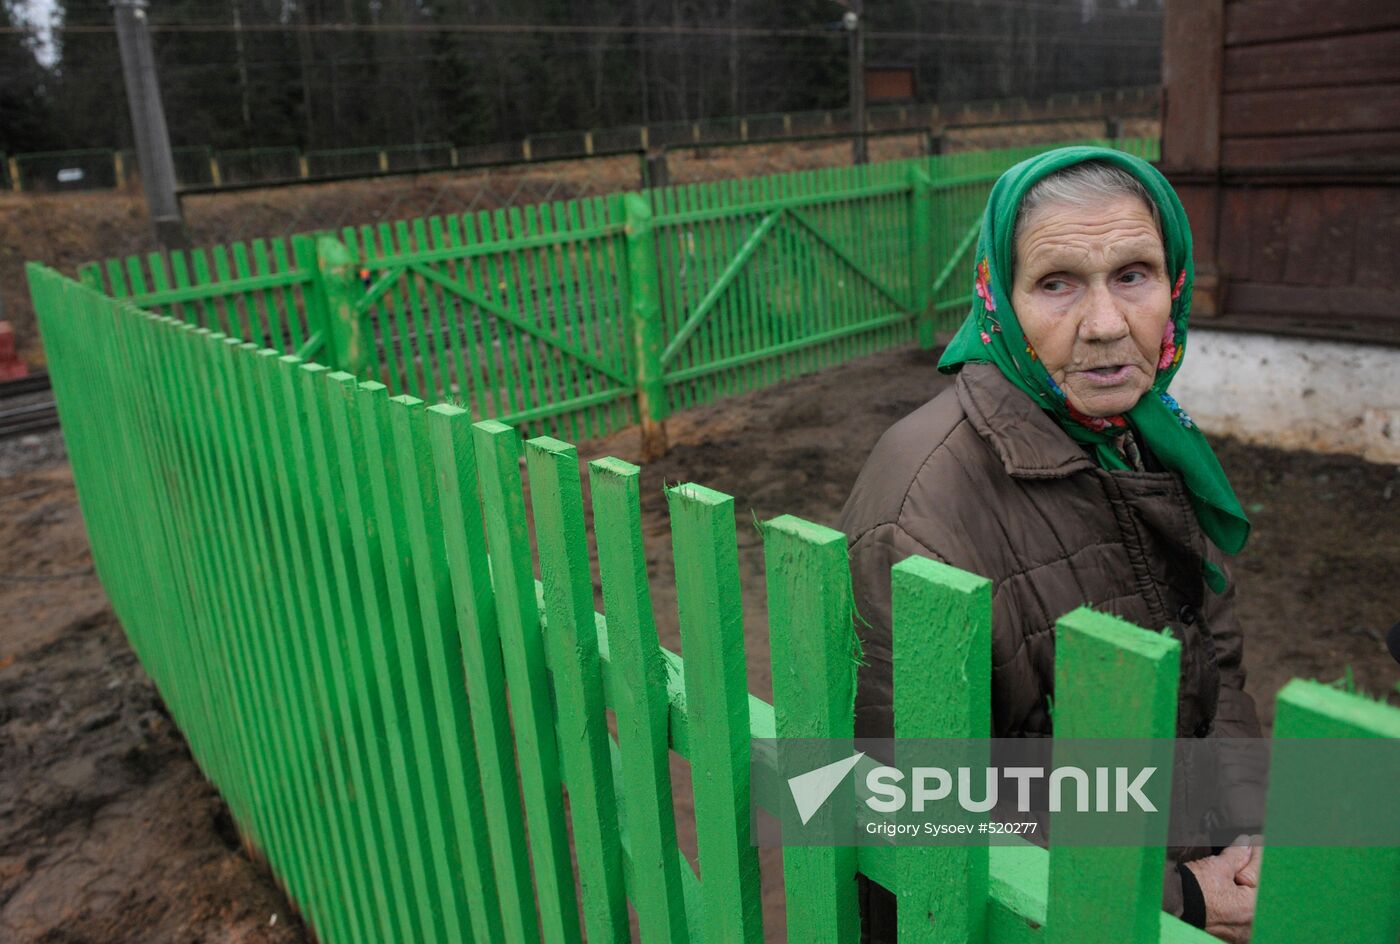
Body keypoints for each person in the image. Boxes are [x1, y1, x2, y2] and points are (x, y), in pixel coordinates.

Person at [839, 146, 1266, 943]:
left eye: (1133, 274)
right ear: (999, 298)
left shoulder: (1146, 433)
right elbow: (913, 804)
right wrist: (1183, 900)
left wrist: (1244, 832)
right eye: (1056, 282)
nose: (1105, 325)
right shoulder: (922, 508)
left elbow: (1218, 659)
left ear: (1175, 285)